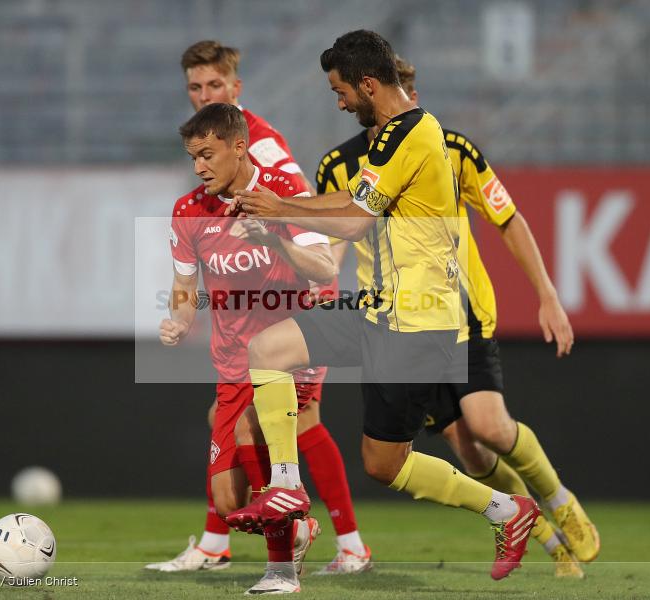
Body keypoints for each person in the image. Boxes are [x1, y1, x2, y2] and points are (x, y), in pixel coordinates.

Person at [225, 31, 540, 592]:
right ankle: (288, 485)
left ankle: (507, 511)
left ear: (369, 84)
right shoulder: (395, 133)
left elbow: (352, 223)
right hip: (380, 309)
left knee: (385, 464)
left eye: (341, 91)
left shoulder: (415, 133)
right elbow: (348, 202)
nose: (340, 102)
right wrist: (280, 214)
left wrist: (280, 208)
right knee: (268, 349)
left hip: (419, 324)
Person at [317, 56, 598, 577]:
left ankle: (559, 498)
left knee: (489, 425)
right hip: (394, 327)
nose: (413, 104)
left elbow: (507, 218)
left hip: (459, 311)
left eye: (415, 92)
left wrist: (548, 295)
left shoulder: (452, 149)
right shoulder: (337, 167)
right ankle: (546, 537)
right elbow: (334, 245)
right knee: (468, 452)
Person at [146, 40, 370, 575]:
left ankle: (289, 551)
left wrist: (284, 244)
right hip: (242, 331)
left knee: (277, 425)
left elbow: (307, 217)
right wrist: (179, 317)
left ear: (235, 91)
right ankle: (299, 536)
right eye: (194, 88)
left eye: (213, 86)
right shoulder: (199, 186)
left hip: (294, 315)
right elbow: (187, 278)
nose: (203, 96)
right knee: (273, 433)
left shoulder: (265, 151)